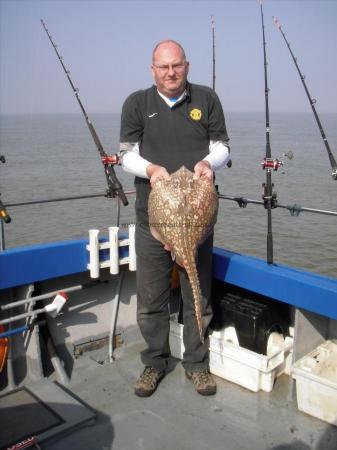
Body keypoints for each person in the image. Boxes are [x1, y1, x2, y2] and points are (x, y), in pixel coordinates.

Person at [116, 40, 230, 397]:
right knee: (151, 297)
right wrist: (150, 169)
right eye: (163, 67)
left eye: (176, 65)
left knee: (198, 289)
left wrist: (208, 164)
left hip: (196, 218)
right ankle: (155, 362)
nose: (170, 72)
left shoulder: (206, 98)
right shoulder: (137, 103)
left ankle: (197, 364)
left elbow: (222, 146)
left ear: (187, 66)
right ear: (153, 70)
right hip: (154, 217)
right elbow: (125, 155)